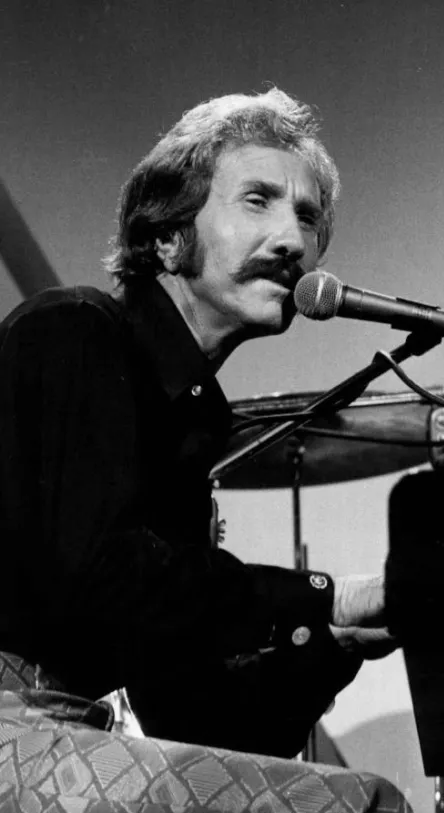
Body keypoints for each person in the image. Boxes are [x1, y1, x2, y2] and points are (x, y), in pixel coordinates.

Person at [0, 87, 411, 812]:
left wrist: (335, 641)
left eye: (308, 217)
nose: (292, 241)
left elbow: (193, 717)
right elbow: (99, 574)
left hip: (73, 736)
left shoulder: (189, 427)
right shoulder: (75, 331)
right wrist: (322, 592)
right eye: (258, 201)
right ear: (166, 236)